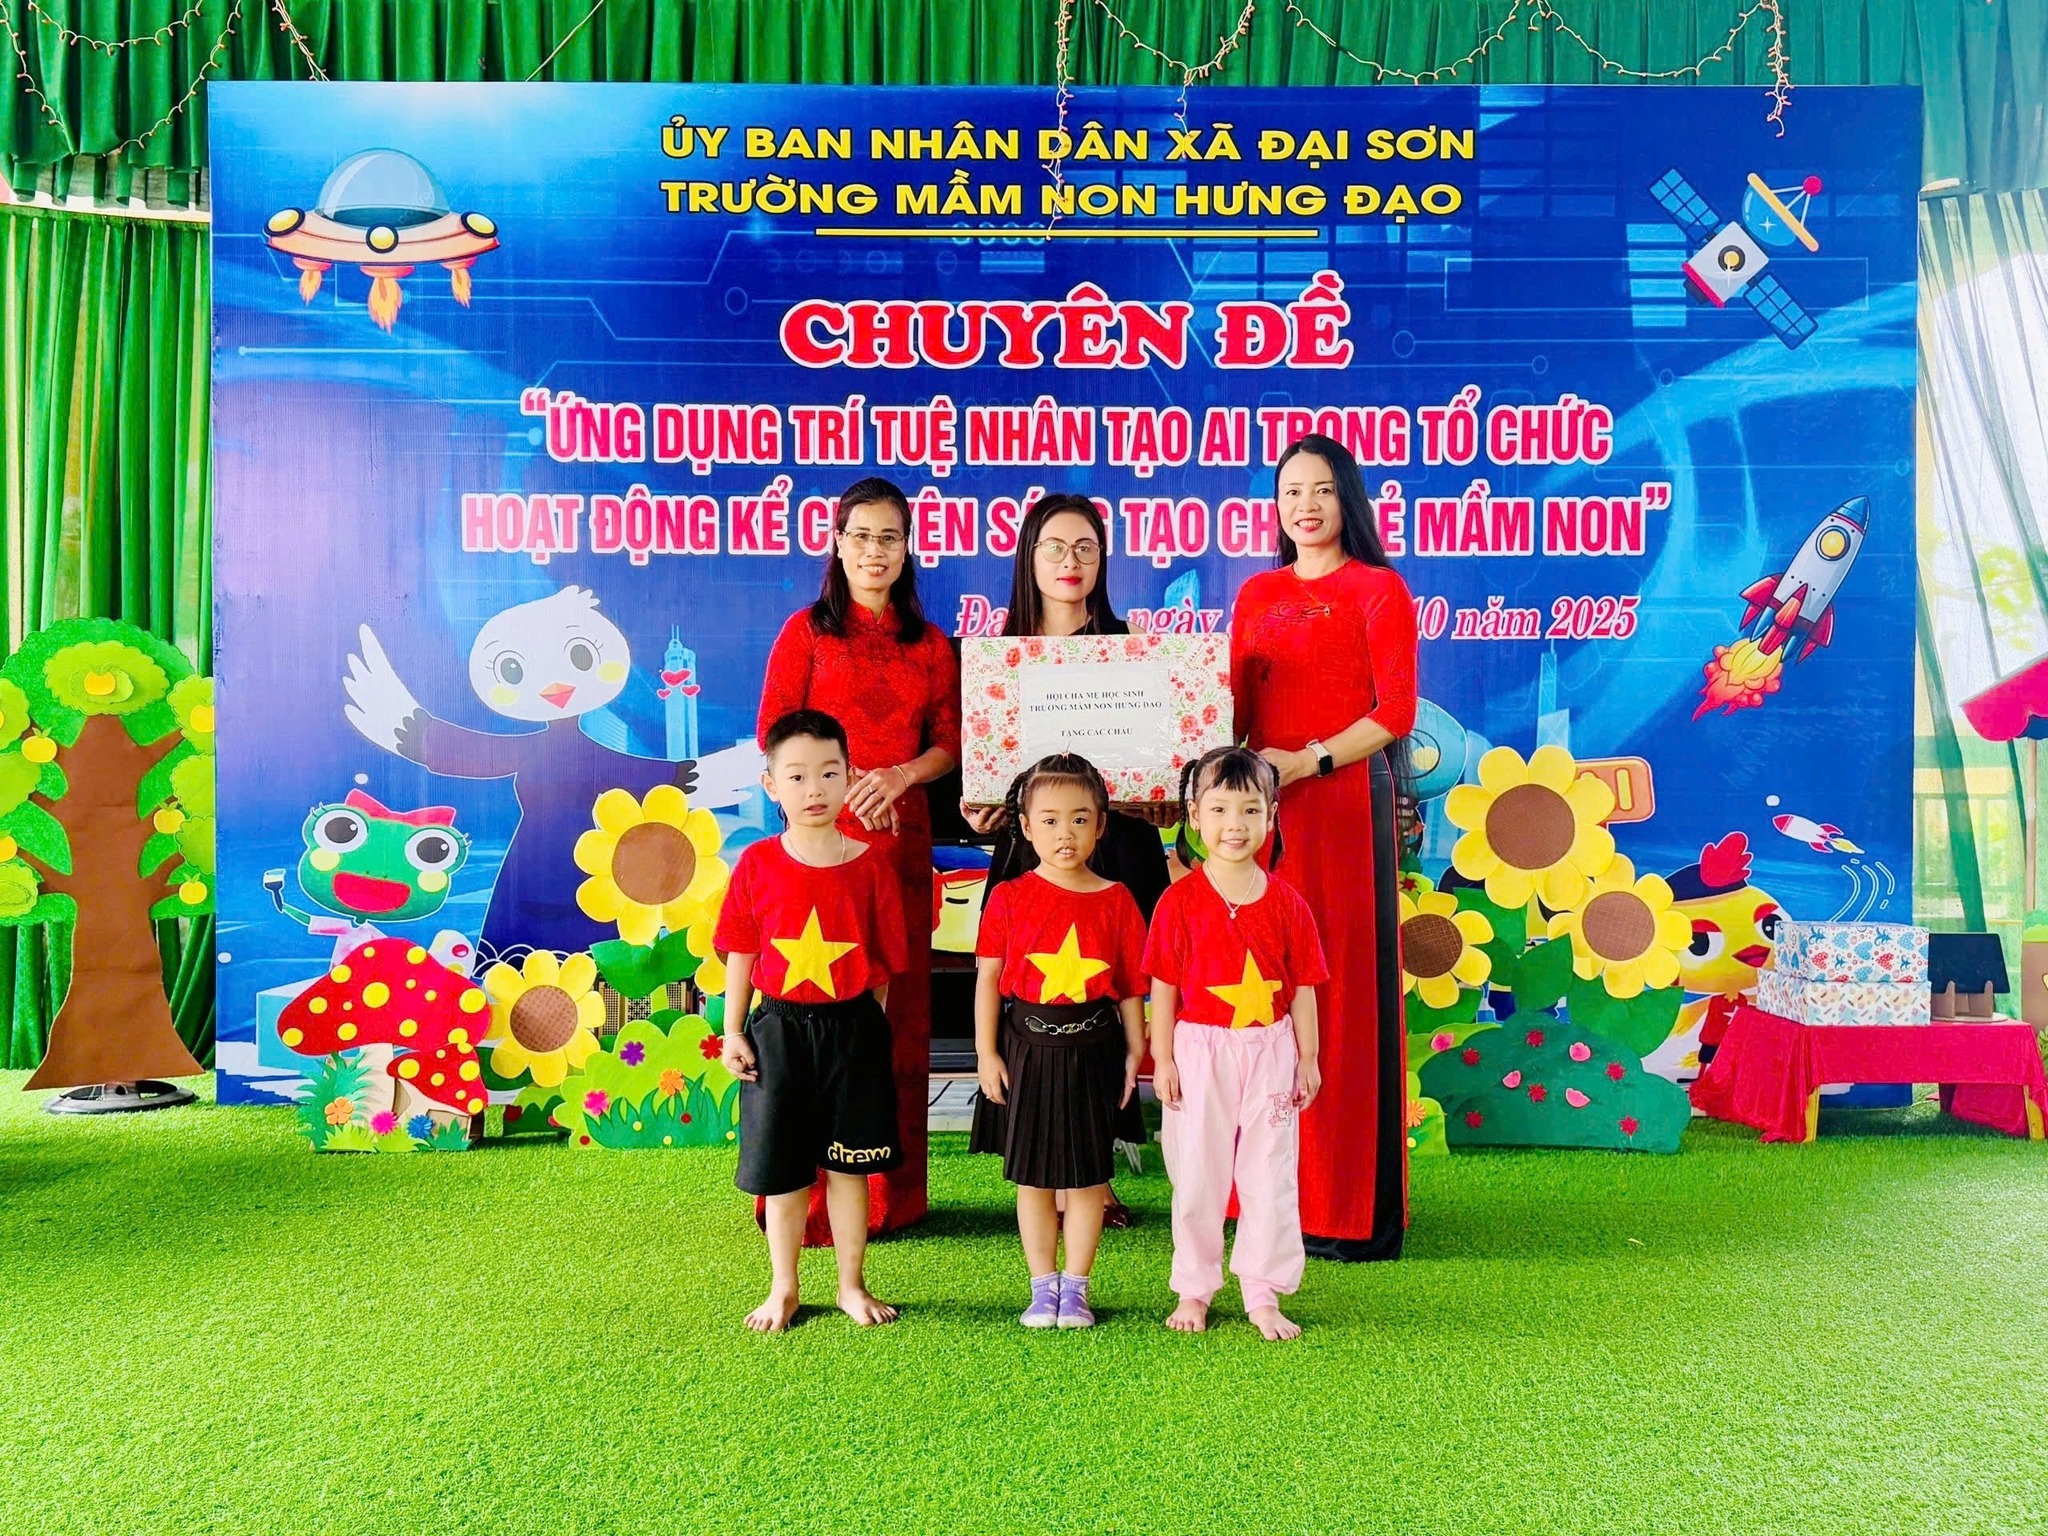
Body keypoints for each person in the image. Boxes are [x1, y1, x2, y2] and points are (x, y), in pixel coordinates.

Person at [1230, 433, 1418, 1263]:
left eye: (1322, 490)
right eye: (1290, 492)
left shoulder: (1379, 589)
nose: (1304, 506)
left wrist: (1310, 760)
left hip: (1341, 810)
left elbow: (1396, 710)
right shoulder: (1257, 592)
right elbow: (1232, 714)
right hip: (1258, 821)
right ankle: (1269, 1201)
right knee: (1259, 996)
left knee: (1337, 998)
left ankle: (1345, 1207)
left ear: (1348, 499)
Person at [759, 477, 960, 1239]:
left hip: (898, 843)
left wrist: (900, 777)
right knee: (818, 1012)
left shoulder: (930, 644)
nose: (876, 551)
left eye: (890, 538)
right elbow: (775, 735)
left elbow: (951, 745)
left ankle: (893, 1197)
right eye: (862, 536)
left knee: (893, 1021)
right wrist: (840, 792)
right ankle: (802, 1198)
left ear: (907, 549)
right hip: (821, 848)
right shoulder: (805, 634)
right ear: (837, 542)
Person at [961, 493, 1170, 1223]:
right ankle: (1035, 1161)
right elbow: (978, 775)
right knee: (1036, 997)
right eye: (1054, 546)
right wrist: (977, 808)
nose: (1070, 561)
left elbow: (1163, 763)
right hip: (1031, 857)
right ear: (1029, 556)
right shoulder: (997, 658)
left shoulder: (1134, 650)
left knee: (1105, 997)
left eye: (1086, 547)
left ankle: (1095, 1172)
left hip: (1121, 847)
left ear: (1103, 560)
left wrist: (1163, 797)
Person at [717, 709, 909, 1332]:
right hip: (777, 1033)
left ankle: (852, 1284)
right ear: (771, 784)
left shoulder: (872, 865)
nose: (814, 789)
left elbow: (883, 966)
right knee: (784, 1173)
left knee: (851, 1167)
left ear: (850, 776)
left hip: (853, 1031)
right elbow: (741, 951)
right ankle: (784, 1287)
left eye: (829, 773)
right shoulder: (757, 863)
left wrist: (868, 1034)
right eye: (796, 776)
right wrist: (734, 1031)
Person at [1145, 747, 1326, 1341]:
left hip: (1270, 1051)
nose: (1235, 825)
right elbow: (1163, 986)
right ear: (1195, 816)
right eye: (1220, 809)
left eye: (1250, 810)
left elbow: (1303, 988)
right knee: (1197, 1174)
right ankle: (1194, 1287)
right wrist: (1164, 1058)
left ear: (1271, 816)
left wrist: (1308, 1057)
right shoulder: (1177, 902)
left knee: (1269, 1173)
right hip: (1200, 1051)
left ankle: (1263, 1290)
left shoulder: (1288, 903)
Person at [973, 753, 1149, 1329]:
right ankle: (1041, 1286)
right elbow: (989, 981)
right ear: (1026, 827)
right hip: (1026, 1049)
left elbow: (1131, 988)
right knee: (1033, 1177)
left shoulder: (1118, 899)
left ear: (1101, 826)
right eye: (1049, 820)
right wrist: (987, 1053)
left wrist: (1135, 1052)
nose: (1064, 833)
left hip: (1096, 1051)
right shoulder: (1008, 897)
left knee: (1089, 1176)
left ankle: (1076, 1288)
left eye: (1079, 819)